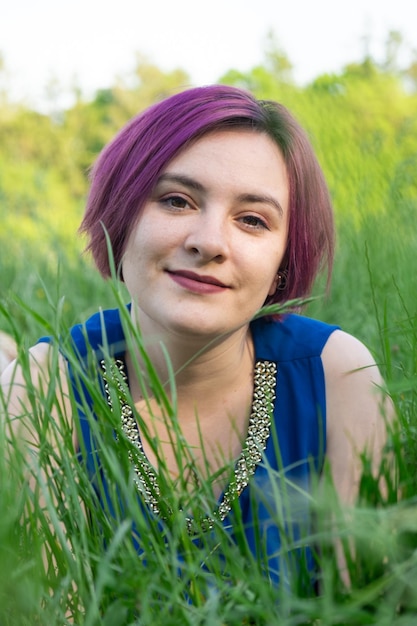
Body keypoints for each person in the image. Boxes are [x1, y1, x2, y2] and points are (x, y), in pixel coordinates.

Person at [1, 85, 389, 592]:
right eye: (177, 200)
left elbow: (364, 605)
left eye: (252, 220)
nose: (208, 242)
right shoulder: (45, 387)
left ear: (282, 263)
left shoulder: (336, 373)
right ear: (120, 217)